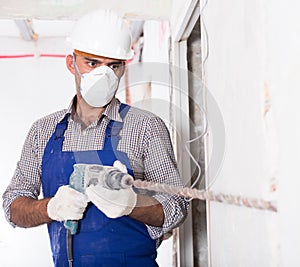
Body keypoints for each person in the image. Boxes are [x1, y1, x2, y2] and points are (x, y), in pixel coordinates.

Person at [2, 9, 189, 267]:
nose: (104, 75)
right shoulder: (42, 132)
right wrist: (51, 208)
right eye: (92, 63)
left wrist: (130, 204)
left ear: (124, 67)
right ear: (71, 63)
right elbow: (13, 206)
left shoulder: (146, 127)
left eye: (114, 66)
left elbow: (176, 206)